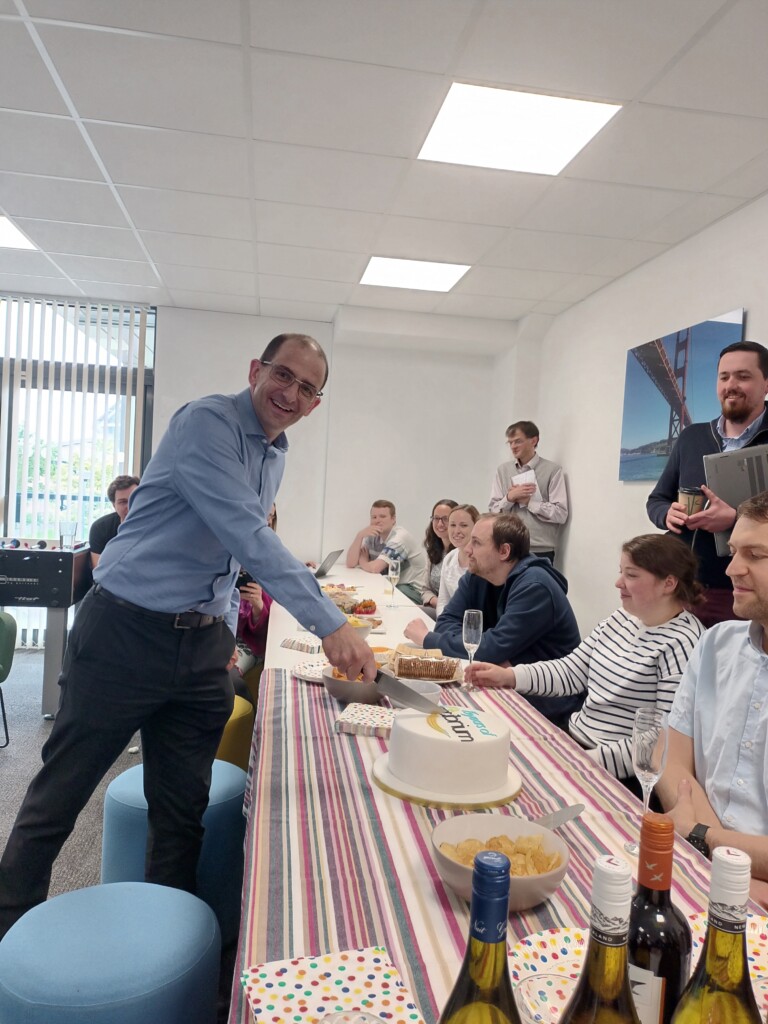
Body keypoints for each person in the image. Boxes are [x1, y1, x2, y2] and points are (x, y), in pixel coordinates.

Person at [0, 332, 375, 939]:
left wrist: (220, 629)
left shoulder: (275, 453)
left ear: (316, 404)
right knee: (58, 799)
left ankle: (163, 943)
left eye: (308, 387)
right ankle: (8, 940)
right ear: (255, 369)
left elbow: (228, 557)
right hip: (124, 634)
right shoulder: (207, 423)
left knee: (181, 816)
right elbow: (248, 535)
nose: (291, 392)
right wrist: (331, 623)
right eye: (284, 375)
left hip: (198, 651)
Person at [465, 535, 705, 793]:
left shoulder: (683, 644)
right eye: (621, 572)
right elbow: (571, 671)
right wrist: (509, 676)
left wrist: (585, 762)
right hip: (577, 743)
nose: (618, 583)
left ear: (668, 583)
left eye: (632, 575)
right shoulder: (623, 617)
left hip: (617, 774)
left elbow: (660, 743)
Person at [656, 491, 768, 904]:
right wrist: (713, 853)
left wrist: (701, 837)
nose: (732, 568)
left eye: (755, 555)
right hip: (703, 869)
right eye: (735, 551)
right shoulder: (717, 642)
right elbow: (668, 757)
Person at [404, 512, 582, 724]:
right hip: (503, 685)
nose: (468, 550)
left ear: (504, 551)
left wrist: (427, 639)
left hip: (546, 707)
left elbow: (490, 649)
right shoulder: (478, 574)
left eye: (476, 543)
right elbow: (446, 622)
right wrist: (486, 651)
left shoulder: (536, 587)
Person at [647, 340, 768, 628]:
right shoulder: (691, 437)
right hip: (681, 587)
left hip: (746, 592)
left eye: (743, 376)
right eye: (724, 377)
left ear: (766, 383)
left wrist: (734, 519)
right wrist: (667, 514)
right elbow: (656, 500)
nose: (731, 385)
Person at [488, 420, 568, 562]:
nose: (513, 446)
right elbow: (493, 511)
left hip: (540, 549)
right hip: (507, 546)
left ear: (534, 440)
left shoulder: (552, 470)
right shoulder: (502, 470)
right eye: (510, 442)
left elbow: (561, 514)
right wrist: (509, 498)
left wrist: (530, 502)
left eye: (518, 441)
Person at [345, 499, 427, 603]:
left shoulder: (400, 538)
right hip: (392, 585)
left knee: (373, 599)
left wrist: (363, 561)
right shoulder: (373, 535)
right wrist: (359, 535)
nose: (377, 520)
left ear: (393, 519)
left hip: (412, 590)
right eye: (374, 517)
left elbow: (375, 568)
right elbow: (350, 563)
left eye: (382, 516)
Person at [436, 503, 480, 616]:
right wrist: (442, 625)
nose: (456, 531)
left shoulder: (481, 560)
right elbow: (442, 601)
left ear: (476, 527)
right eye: (452, 525)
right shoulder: (449, 558)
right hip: (449, 623)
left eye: (464, 525)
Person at [88, 474, 140, 568]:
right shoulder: (100, 528)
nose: (130, 506)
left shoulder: (155, 526)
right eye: (123, 502)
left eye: (134, 499)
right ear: (114, 505)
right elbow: (100, 571)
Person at [419, 498, 457, 616]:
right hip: (437, 608)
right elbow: (425, 589)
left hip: (454, 614)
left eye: (445, 519)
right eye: (436, 518)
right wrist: (436, 602)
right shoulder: (433, 550)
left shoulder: (460, 553)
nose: (440, 524)